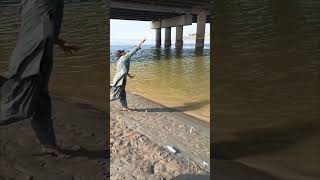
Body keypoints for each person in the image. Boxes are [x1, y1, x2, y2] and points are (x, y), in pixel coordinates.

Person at [0, 0, 79, 156]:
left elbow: (43, 25)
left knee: (41, 103)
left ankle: (48, 144)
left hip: (39, 55)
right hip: (31, 59)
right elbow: (44, 27)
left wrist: (59, 42)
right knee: (18, 107)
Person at [110, 38, 146, 111]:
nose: (124, 52)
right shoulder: (124, 58)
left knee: (122, 93)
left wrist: (129, 75)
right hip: (120, 80)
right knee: (117, 95)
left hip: (120, 79)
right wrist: (141, 42)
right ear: (121, 54)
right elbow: (133, 51)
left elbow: (122, 70)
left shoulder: (120, 60)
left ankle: (124, 107)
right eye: (123, 52)